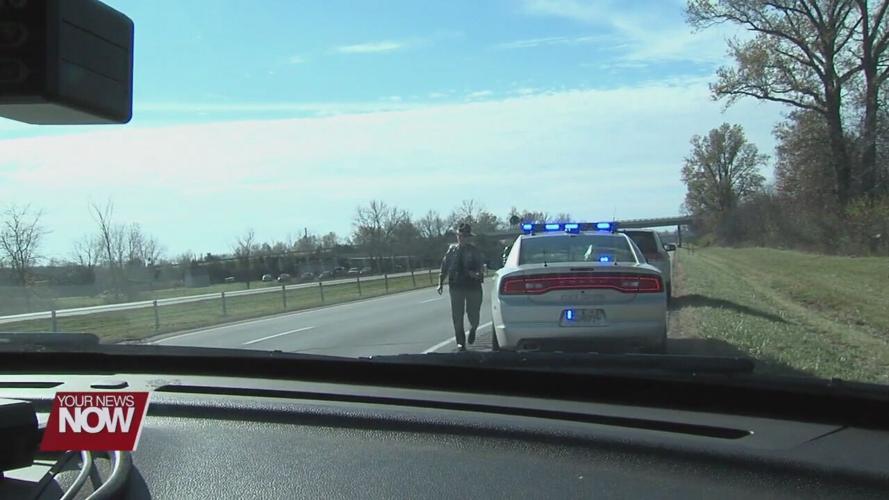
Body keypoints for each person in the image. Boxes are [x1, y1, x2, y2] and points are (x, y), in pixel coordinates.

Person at [437, 223, 485, 351]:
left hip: (472, 286)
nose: (462, 238)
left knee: (473, 313)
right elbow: (444, 266)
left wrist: (476, 274)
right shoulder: (452, 250)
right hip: (456, 286)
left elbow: (481, 268)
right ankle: (461, 343)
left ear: (469, 237)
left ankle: (473, 328)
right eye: (460, 236)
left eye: (464, 236)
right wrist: (440, 282)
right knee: (457, 316)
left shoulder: (474, 251)